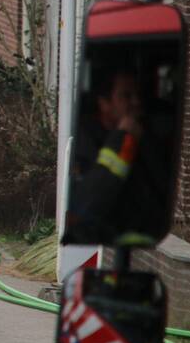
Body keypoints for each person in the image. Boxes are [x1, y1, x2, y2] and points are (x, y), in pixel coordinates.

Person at [65, 67, 152, 245]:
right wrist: (121, 138)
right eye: (126, 96)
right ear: (104, 103)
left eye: (137, 95)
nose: (136, 102)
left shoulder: (145, 136)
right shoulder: (83, 141)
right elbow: (87, 201)